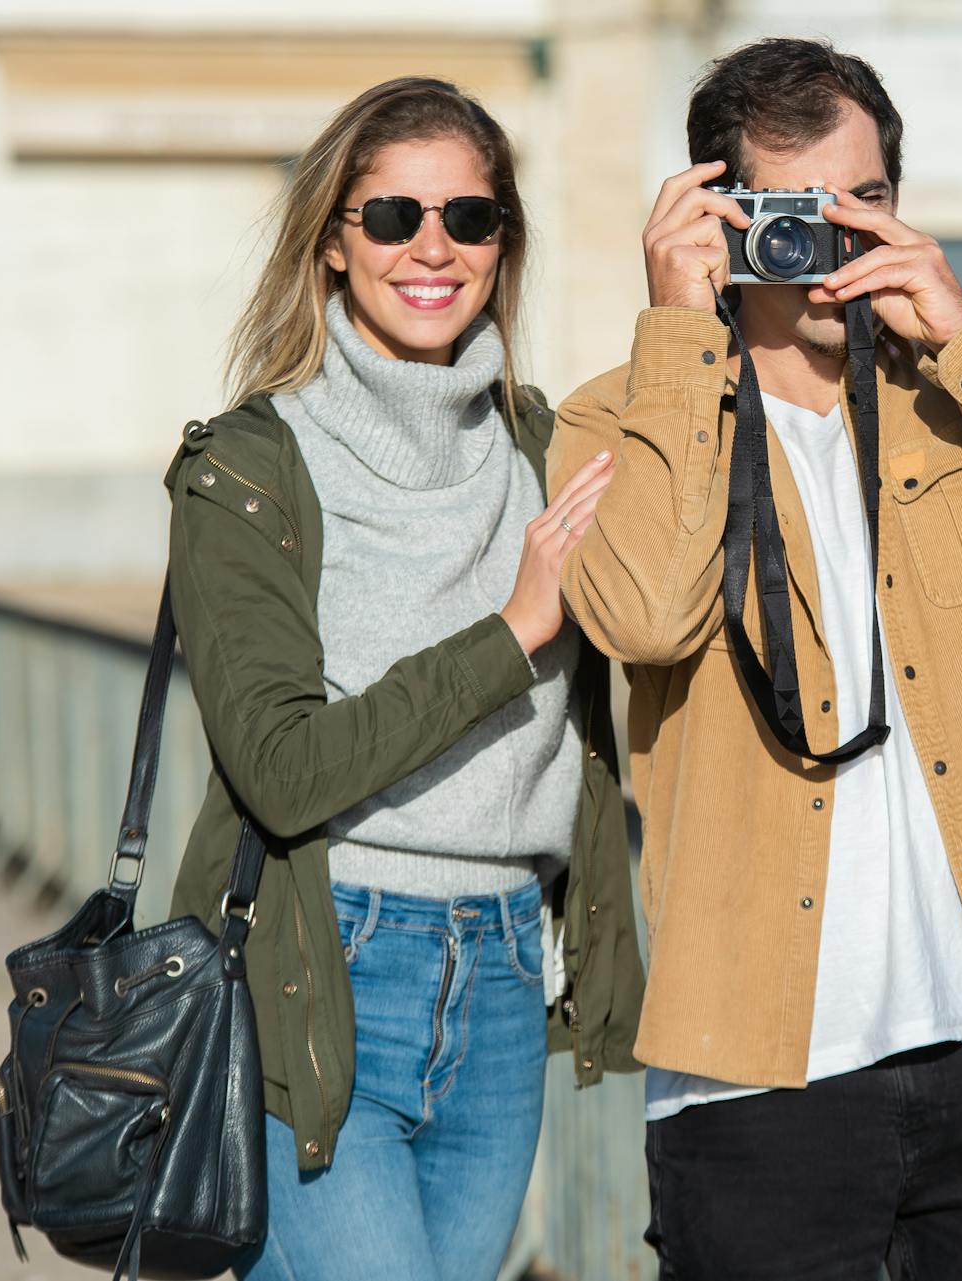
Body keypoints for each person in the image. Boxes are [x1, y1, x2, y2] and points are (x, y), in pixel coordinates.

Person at [552, 37, 962, 1280]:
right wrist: (680, 334)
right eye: (799, 209)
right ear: (719, 216)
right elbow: (646, 621)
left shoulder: (959, 400)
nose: (838, 242)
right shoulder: (617, 415)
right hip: (754, 1074)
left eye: (867, 202)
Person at [162, 77, 643, 1281]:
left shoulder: (550, 447)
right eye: (392, 218)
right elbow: (282, 771)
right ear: (334, 241)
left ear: (502, 243)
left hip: (504, 973)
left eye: (470, 219)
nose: (433, 248)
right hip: (326, 964)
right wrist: (514, 630)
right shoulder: (251, 469)